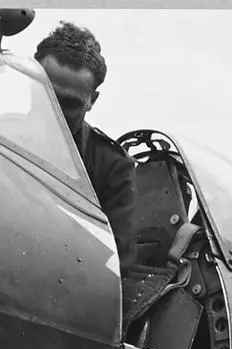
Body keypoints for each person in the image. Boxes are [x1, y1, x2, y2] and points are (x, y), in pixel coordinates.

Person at [35, 21, 136, 273]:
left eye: (69, 103)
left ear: (92, 100)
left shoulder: (112, 166)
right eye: (46, 93)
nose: (53, 109)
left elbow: (117, 264)